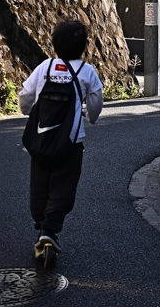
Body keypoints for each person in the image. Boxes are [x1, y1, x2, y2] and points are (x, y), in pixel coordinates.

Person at [19, 20, 104, 256]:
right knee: (64, 187)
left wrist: (29, 111)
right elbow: (96, 102)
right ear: (83, 46)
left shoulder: (45, 67)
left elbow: (25, 96)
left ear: (55, 45)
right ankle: (50, 229)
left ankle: (41, 224)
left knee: (40, 183)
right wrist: (89, 116)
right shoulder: (86, 71)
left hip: (41, 140)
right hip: (71, 143)